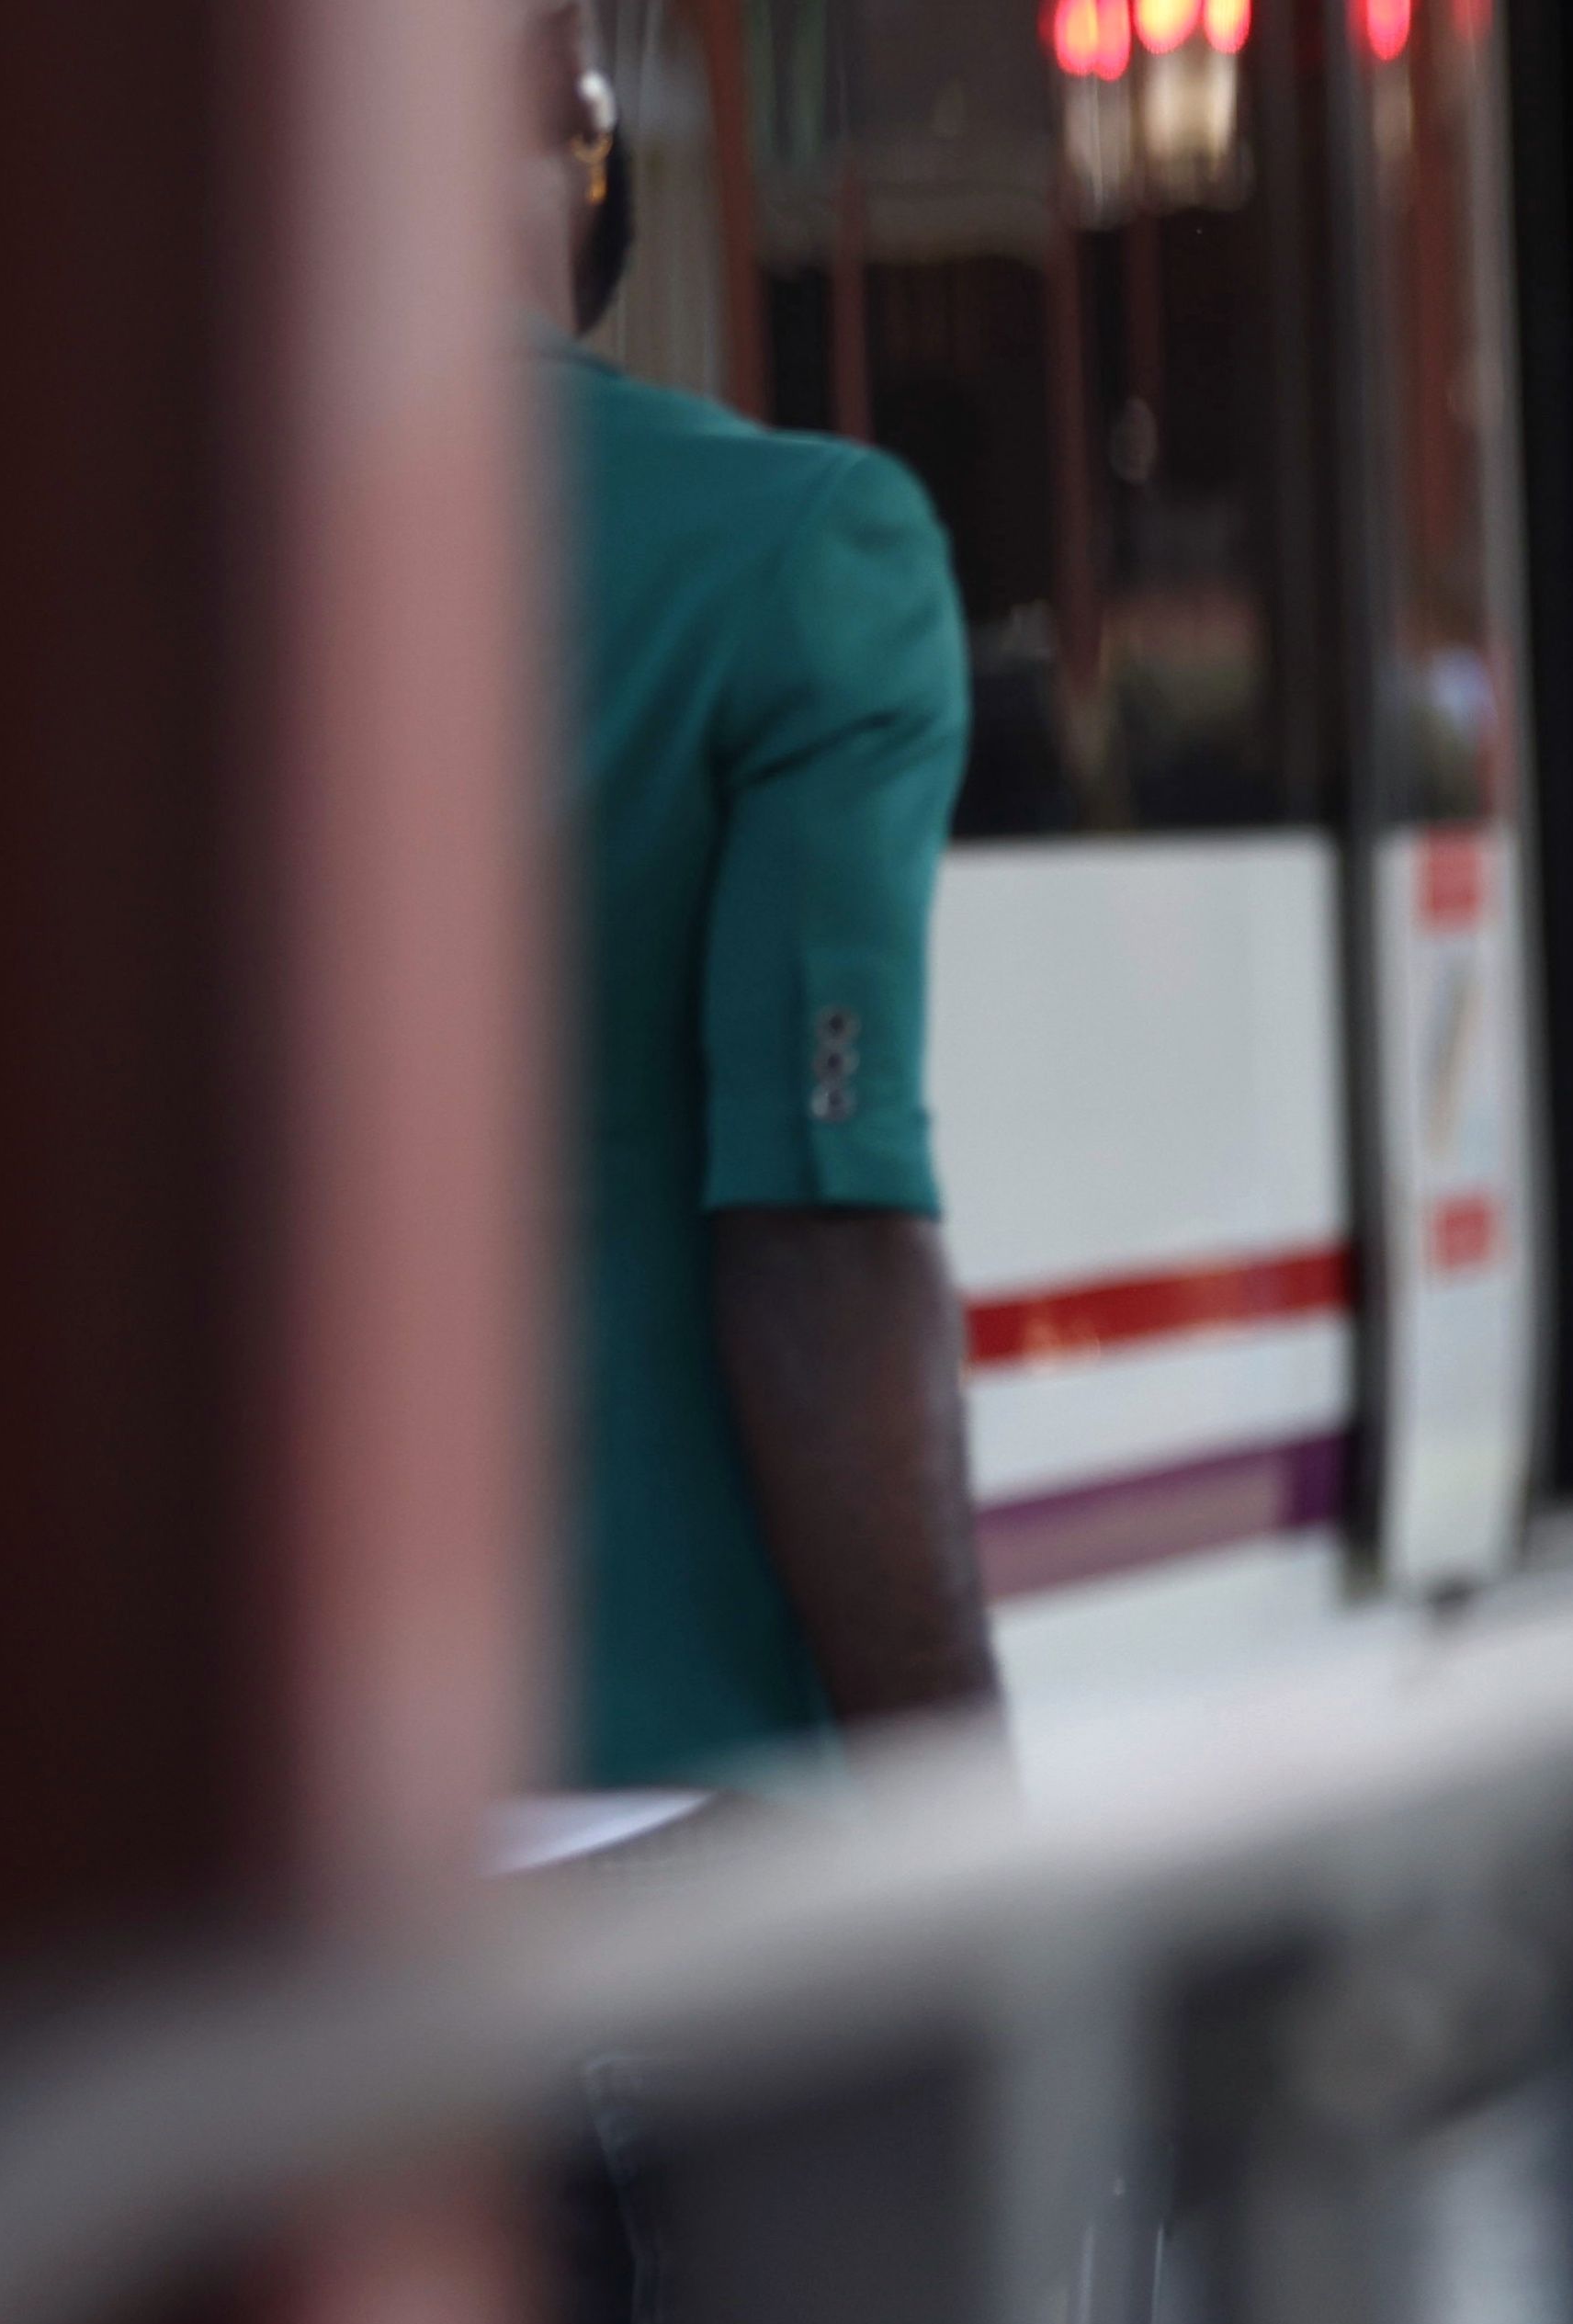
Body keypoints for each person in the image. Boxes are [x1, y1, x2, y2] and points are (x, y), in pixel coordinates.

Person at [550, 23, 993, 1785]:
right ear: (564, 113)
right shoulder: (796, 554)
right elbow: (815, 1235)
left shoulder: (62, 527)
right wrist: (959, 1824)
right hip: (646, 1808)